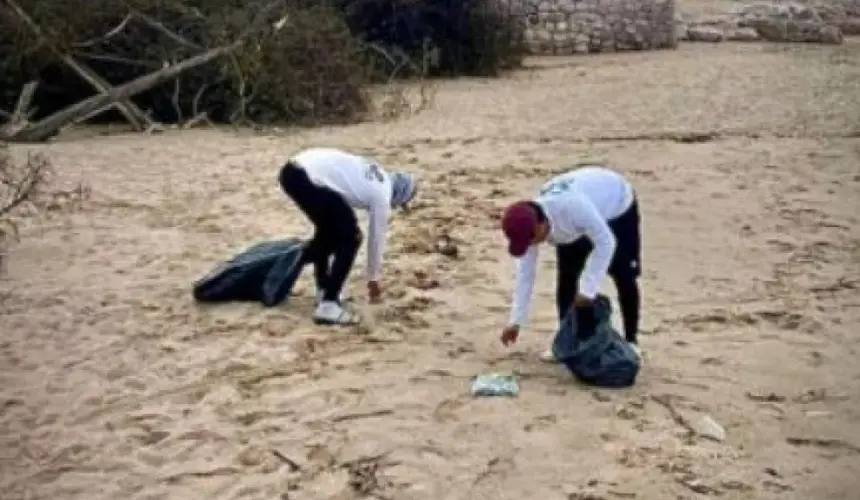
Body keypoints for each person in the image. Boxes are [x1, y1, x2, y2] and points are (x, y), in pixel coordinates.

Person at [499, 164, 642, 360]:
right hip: (573, 224)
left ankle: (632, 341)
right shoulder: (526, 227)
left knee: (623, 273)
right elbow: (525, 275)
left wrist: (587, 289)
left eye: (531, 240)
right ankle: (566, 343)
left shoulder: (572, 207)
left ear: (541, 225)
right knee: (567, 277)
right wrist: (515, 321)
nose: (531, 245)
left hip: (616, 204)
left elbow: (606, 242)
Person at [279, 147, 418, 326]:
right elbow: (376, 240)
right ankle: (329, 304)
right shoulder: (382, 194)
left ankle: (323, 288)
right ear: (400, 195)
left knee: (327, 233)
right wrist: (373, 279)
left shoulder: (377, 175)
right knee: (352, 237)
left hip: (292, 171)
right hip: (309, 177)